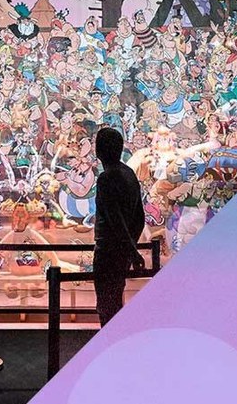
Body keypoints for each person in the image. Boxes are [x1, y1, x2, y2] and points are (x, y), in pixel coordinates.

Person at [93, 127, 145, 327]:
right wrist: (131, 247)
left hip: (108, 250)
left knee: (107, 305)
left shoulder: (106, 178)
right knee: (115, 299)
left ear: (99, 150)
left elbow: (114, 219)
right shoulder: (128, 173)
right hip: (122, 251)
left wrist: (130, 249)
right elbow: (139, 217)